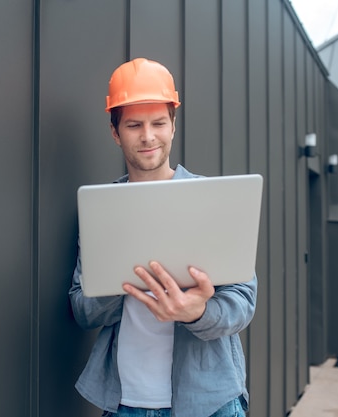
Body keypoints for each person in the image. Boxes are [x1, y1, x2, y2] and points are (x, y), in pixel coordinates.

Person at [68, 58, 258, 417]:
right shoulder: (102, 210)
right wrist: (121, 276)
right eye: (134, 125)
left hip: (209, 403)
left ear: (173, 126)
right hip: (126, 404)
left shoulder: (212, 200)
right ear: (115, 132)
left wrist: (197, 312)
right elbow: (82, 309)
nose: (148, 136)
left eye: (158, 123)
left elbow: (243, 301)